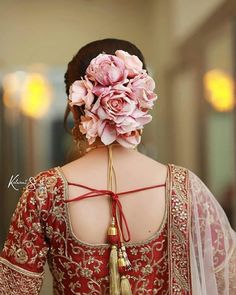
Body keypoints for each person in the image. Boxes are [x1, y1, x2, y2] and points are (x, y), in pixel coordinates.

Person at [0, 38, 235, 295]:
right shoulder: (185, 188)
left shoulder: (44, 192)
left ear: (75, 110)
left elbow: (14, 290)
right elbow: (227, 281)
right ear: (142, 101)